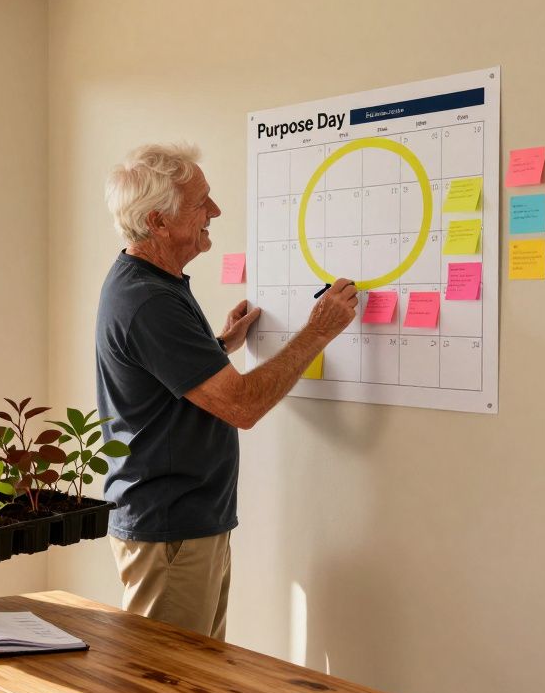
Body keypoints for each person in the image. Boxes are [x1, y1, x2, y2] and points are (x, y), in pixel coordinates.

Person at [95, 143, 357, 640]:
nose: (215, 212)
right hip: (172, 527)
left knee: (199, 677)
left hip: (186, 520)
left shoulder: (153, 282)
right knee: (170, 686)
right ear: (158, 221)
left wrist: (216, 346)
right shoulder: (149, 299)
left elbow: (161, 377)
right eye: (201, 203)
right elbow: (242, 405)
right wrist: (317, 331)